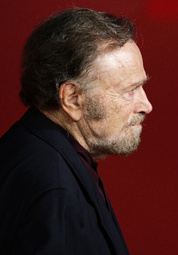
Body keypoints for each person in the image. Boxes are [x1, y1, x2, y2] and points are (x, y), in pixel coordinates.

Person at [0, 8, 152, 255]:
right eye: (130, 91)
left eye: (142, 86)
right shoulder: (56, 191)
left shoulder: (28, 148)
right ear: (72, 99)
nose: (146, 105)